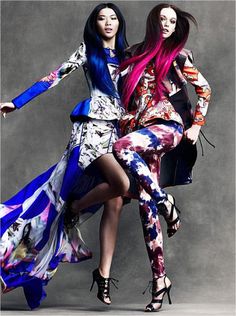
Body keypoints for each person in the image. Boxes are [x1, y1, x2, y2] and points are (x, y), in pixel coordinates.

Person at [0, 3, 129, 309]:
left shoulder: (129, 56)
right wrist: (16, 103)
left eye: (113, 18)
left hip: (117, 135)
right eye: (102, 18)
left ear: (119, 23)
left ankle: (104, 276)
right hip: (90, 136)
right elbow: (53, 77)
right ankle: (76, 206)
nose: (108, 22)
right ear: (94, 24)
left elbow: (154, 67)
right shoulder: (88, 51)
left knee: (116, 200)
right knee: (120, 184)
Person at [112, 3, 211, 312]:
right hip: (142, 131)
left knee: (122, 149)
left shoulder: (179, 56)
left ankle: (165, 201)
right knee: (145, 204)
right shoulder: (135, 53)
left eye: (172, 21)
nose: (168, 25)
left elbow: (204, 90)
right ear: (153, 22)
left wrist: (196, 125)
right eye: (162, 19)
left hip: (167, 126)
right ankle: (160, 279)